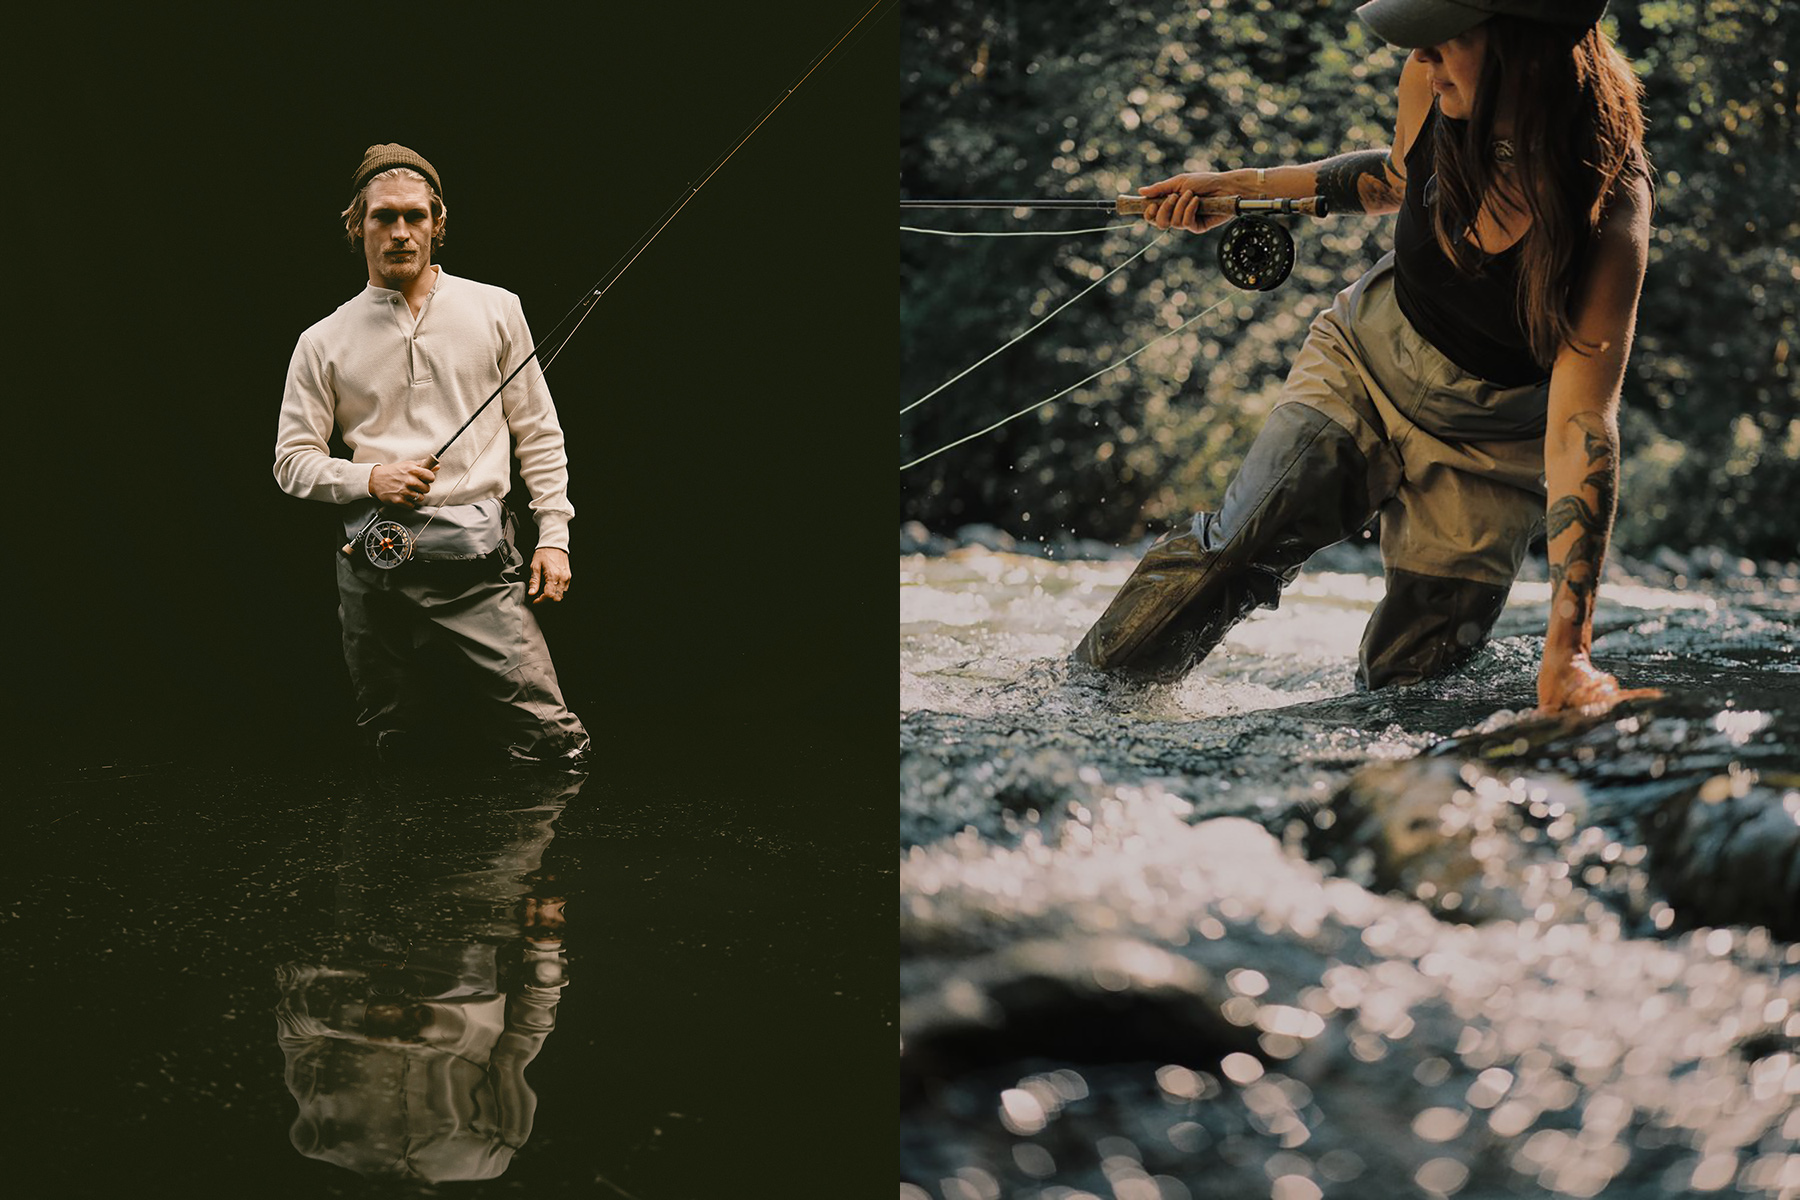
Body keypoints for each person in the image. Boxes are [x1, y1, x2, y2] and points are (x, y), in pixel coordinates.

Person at [1074, 0, 1658, 714]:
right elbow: (1392, 176)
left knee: (1412, 687)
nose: (1418, 61)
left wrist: (1569, 652)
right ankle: (1076, 707)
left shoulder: (1609, 204)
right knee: (1236, 549)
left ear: (1521, 52)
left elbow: (1582, 427)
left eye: (1441, 45)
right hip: (1365, 361)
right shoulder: (1431, 86)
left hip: (1491, 448)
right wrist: (1240, 190)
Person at [275, 144, 590, 766]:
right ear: (356, 224)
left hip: (479, 561)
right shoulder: (322, 341)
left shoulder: (496, 309)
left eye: (415, 217)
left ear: (437, 223)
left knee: (550, 743)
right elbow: (291, 461)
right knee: (395, 743)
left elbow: (538, 430)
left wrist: (554, 535)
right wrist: (371, 477)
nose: (399, 232)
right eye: (383, 217)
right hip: (376, 566)